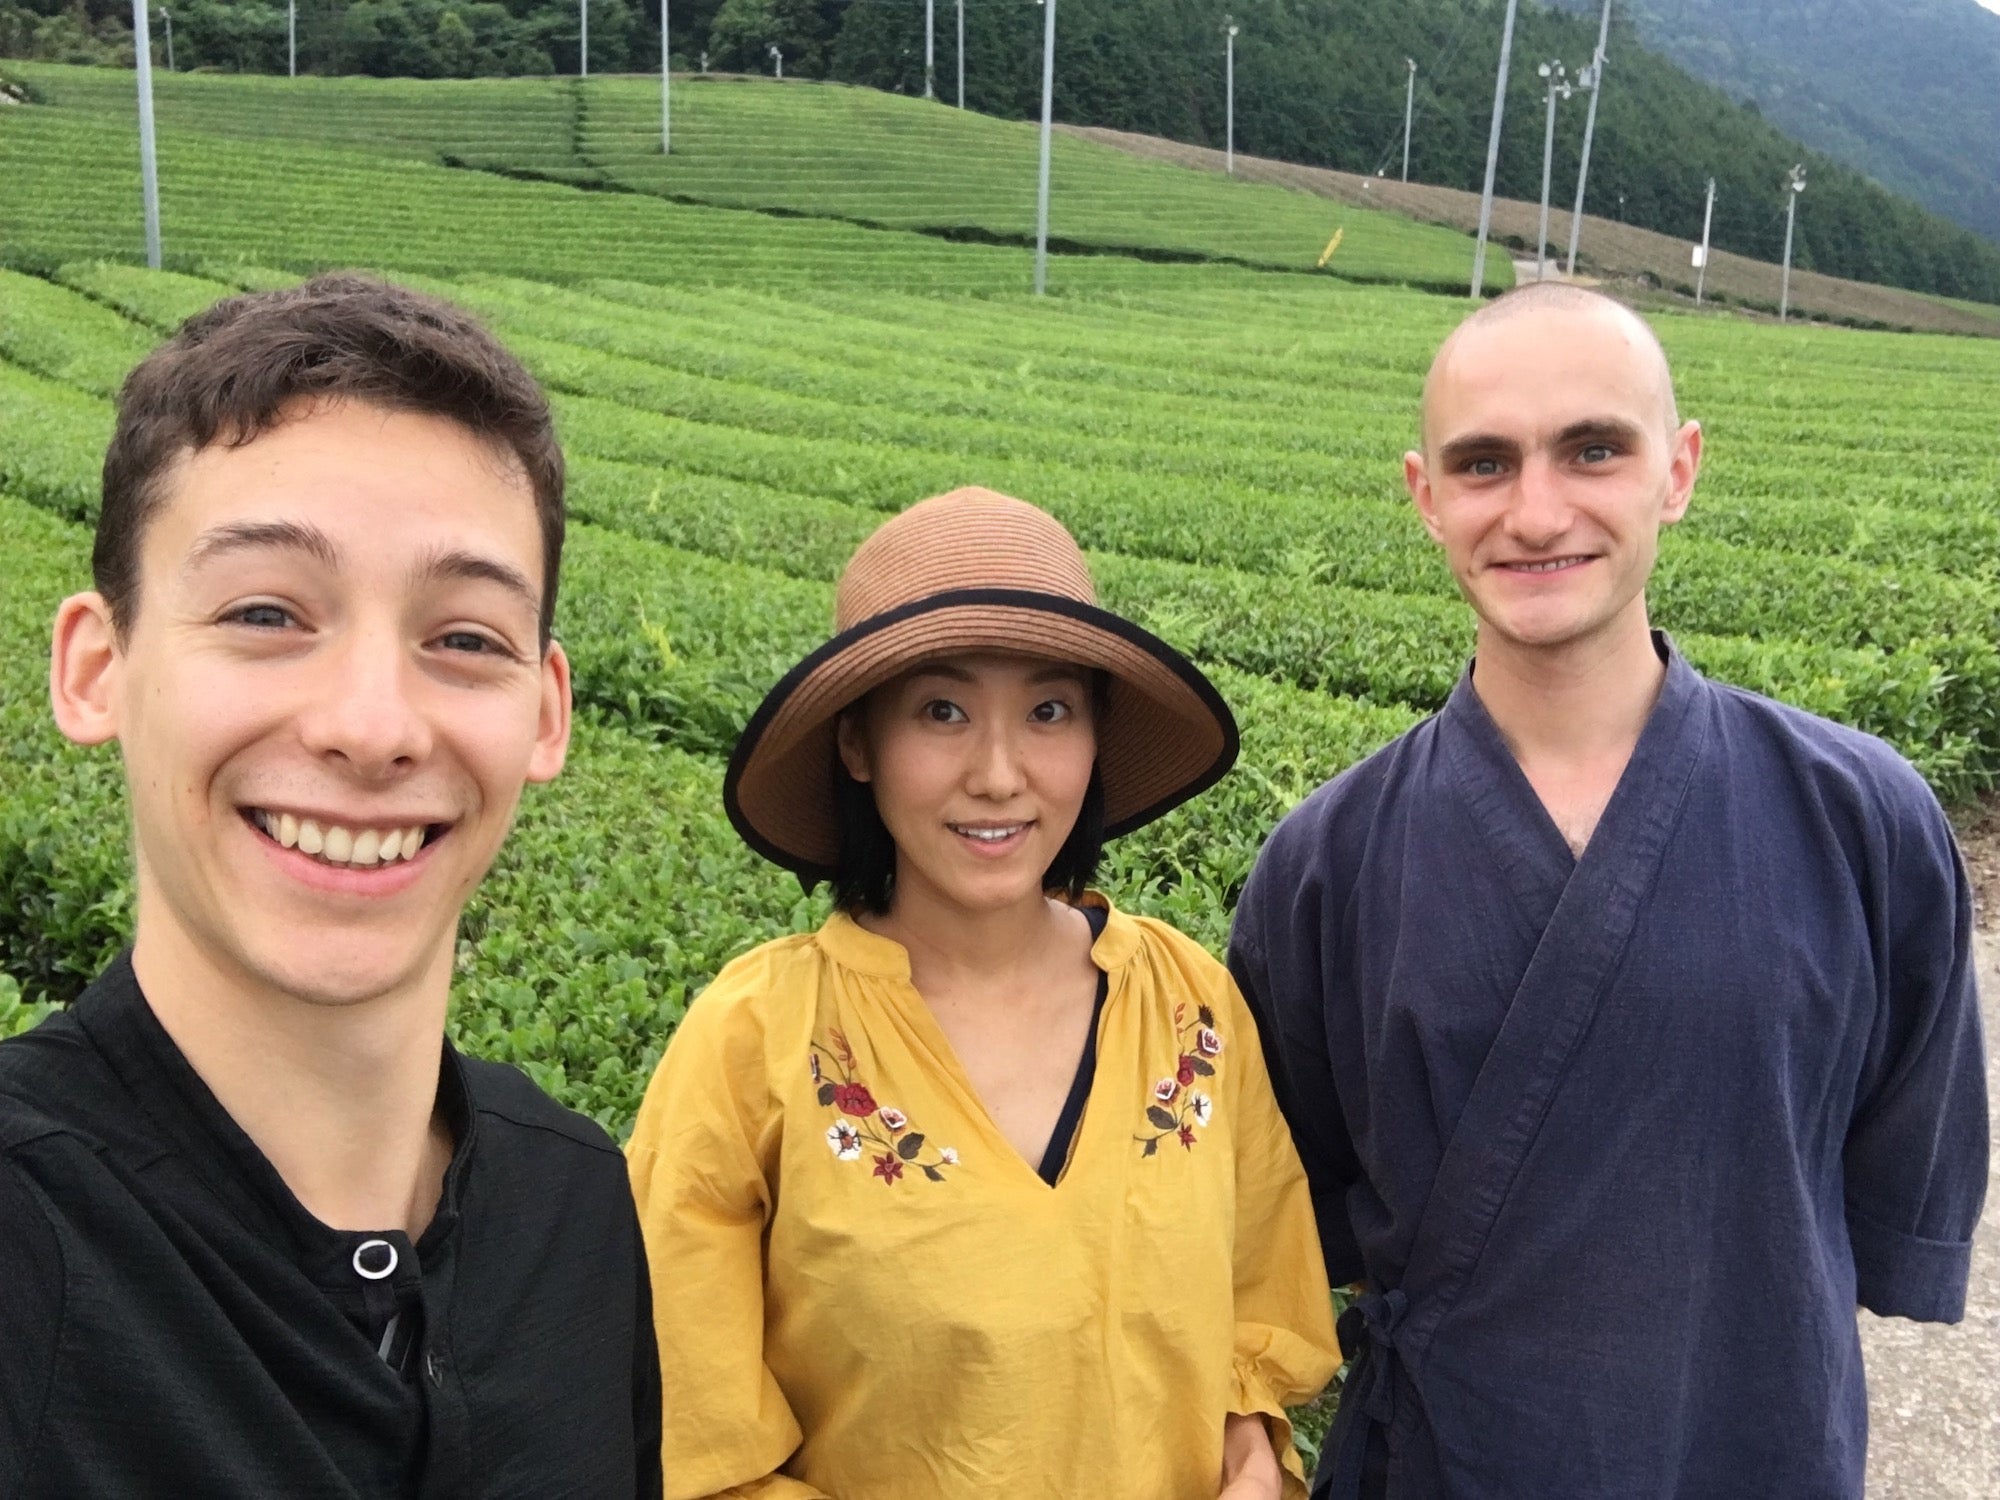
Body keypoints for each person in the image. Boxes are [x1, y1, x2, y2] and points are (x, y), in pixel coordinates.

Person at [1228, 282, 1989, 1499]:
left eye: (1592, 449)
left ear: (1675, 471)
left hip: (1753, 1450)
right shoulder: (1322, 865)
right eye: (1483, 464)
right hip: (1437, 1465)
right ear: (1423, 496)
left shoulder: (1862, 818)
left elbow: (1889, 1176)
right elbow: (1272, 1229)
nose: (1535, 512)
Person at [0, 276, 661, 1497]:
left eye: (463, 637)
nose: (373, 726)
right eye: (265, 611)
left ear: (546, 715)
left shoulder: (571, 1203)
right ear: (97, 669)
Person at [626, 487, 1339, 1500]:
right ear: (857, 745)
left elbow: (1258, 1325)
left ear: (1095, 738)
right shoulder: (753, 1043)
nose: (1000, 774)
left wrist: (1251, 1461)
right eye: (941, 712)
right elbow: (695, 1442)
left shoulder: (1189, 1006)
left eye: (1047, 711)